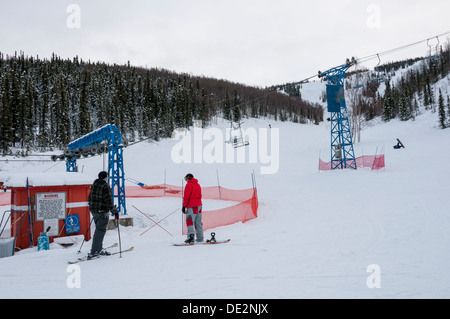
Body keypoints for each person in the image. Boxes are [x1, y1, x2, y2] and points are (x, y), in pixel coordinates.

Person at [87, 171, 118, 258]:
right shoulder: (105, 186)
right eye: (107, 177)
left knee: (98, 229)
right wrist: (113, 210)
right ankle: (95, 251)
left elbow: (89, 198)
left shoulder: (94, 184)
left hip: (94, 211)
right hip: (102, 212)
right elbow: (108, 200)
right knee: (100, 231)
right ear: (105, 177)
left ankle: (98, 248)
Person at [182, 173, 204, 244]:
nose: (186, 180)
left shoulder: (189, 185)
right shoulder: (197, 185)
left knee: (190, 221)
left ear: (188, 178)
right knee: (198, 222)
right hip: (199, 205)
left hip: (192, 206)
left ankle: (191, 237)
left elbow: (186, 196)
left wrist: (184, 206)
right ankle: (200, 238)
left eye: (186, 179)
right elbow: (200, 195)